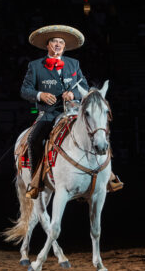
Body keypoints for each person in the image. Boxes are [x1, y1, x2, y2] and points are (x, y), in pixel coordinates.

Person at [21, 24, 122, 199]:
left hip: (74, 111)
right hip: (50, 113)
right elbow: (24, 90)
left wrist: (73, 93)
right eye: (54, 42)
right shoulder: (35, 66)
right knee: (33, 138)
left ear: (64, 46)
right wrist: (40, 95)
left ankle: (109, 176)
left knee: (98, 129)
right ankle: (35, 181)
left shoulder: (73, 64)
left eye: (61, 42)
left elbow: (84, 87)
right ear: (48, 45)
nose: (58, 45)